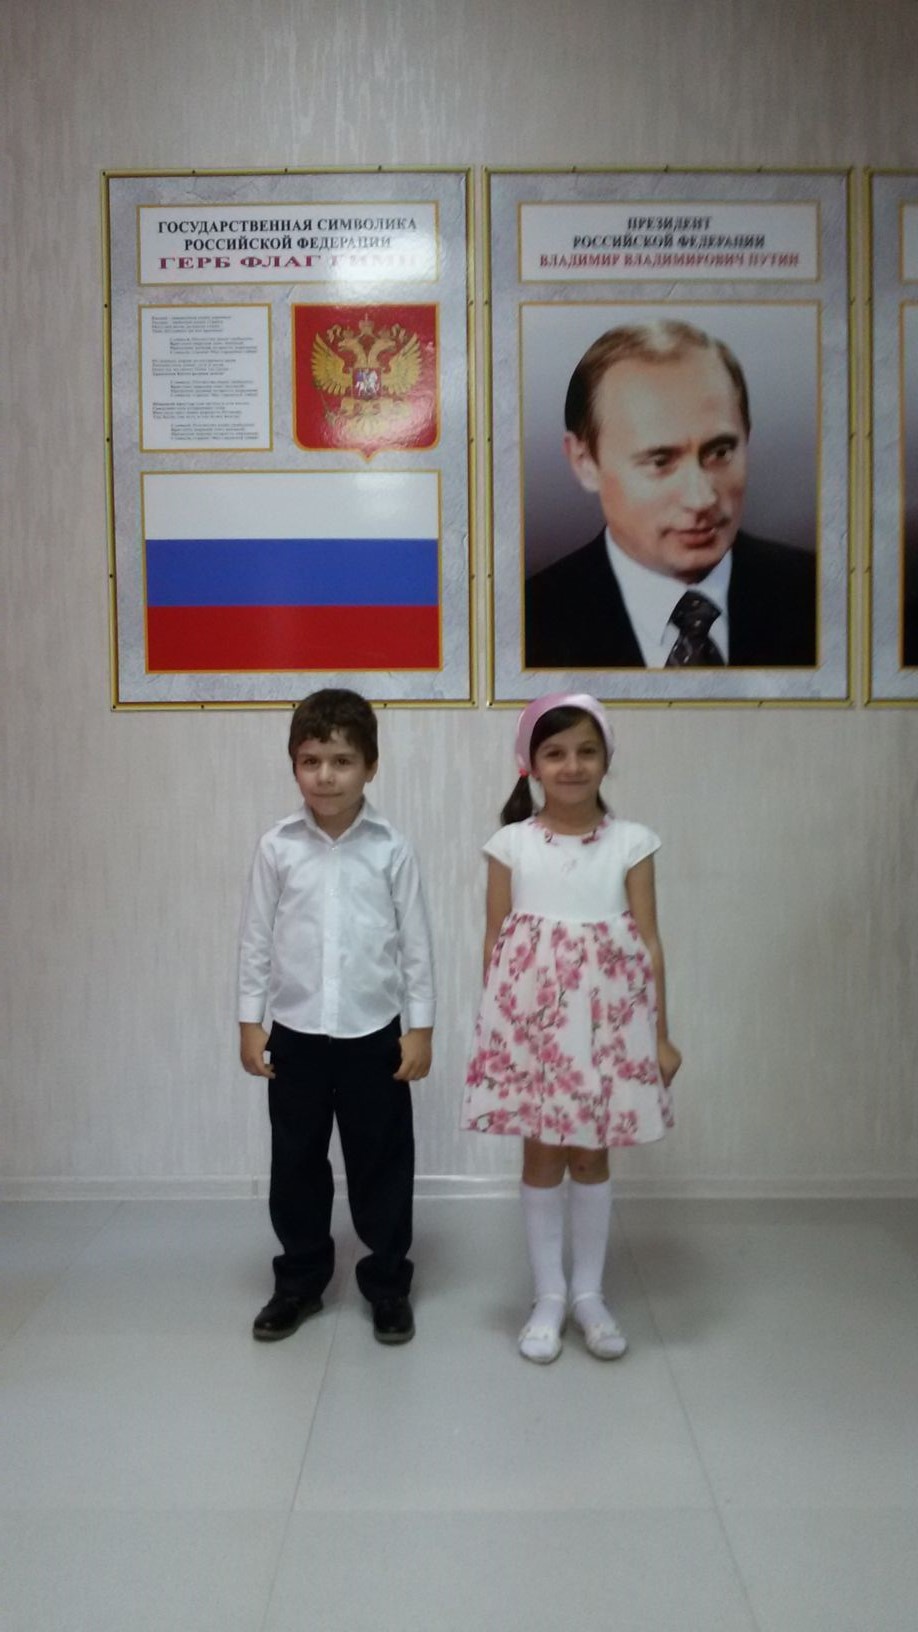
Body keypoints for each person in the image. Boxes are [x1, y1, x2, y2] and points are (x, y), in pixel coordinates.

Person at [461, 693, 681, 1363]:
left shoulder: (632, 842)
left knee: (590, 1154)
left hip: (610, 1029)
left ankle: (589, 1294)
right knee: (542, 1155)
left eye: (587, 751)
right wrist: (498, 1038)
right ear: (530, 765)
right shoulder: (511, 844)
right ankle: (549, 1295)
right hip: (531, 1031)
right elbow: (497, 941)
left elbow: (649, 943)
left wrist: (660, 1036)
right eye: (554, 753)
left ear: (606, 759)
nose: (572, 765)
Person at [238, 688, 435, 1346]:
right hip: (295, 1033)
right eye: (311, 760)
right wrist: (249, 1020)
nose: (325, 775)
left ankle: (387, 1284)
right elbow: (255, 940)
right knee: (296, 1161)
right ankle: (299, 1282)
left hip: (373, 1033)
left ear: (371, 767)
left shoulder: (391, 848)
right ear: (294, 765)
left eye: (342, 761)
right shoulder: (277, 847)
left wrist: (420, 1027)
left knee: (382, 1161)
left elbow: (416, 944)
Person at [524, 320, 817, 669]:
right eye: (660, 461)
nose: (702, 498)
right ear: (584, 462)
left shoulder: (820, 595)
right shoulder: (528, 625)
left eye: (720, 452)